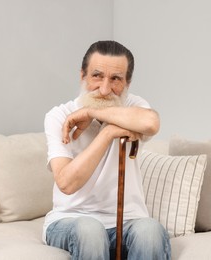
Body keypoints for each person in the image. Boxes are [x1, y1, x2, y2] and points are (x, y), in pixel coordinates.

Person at [43, 40, 171, 260]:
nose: (104, 89)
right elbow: (66, 183)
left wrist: (92, 113)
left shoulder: (132, 104)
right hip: (71, 220)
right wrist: (108, 133)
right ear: (82, 75)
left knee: (150, 230)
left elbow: (151, 123)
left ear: (127, 83)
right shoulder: (58, 116)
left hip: (128, 221)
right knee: (90, 230)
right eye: (97, 76)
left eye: (115, 79)